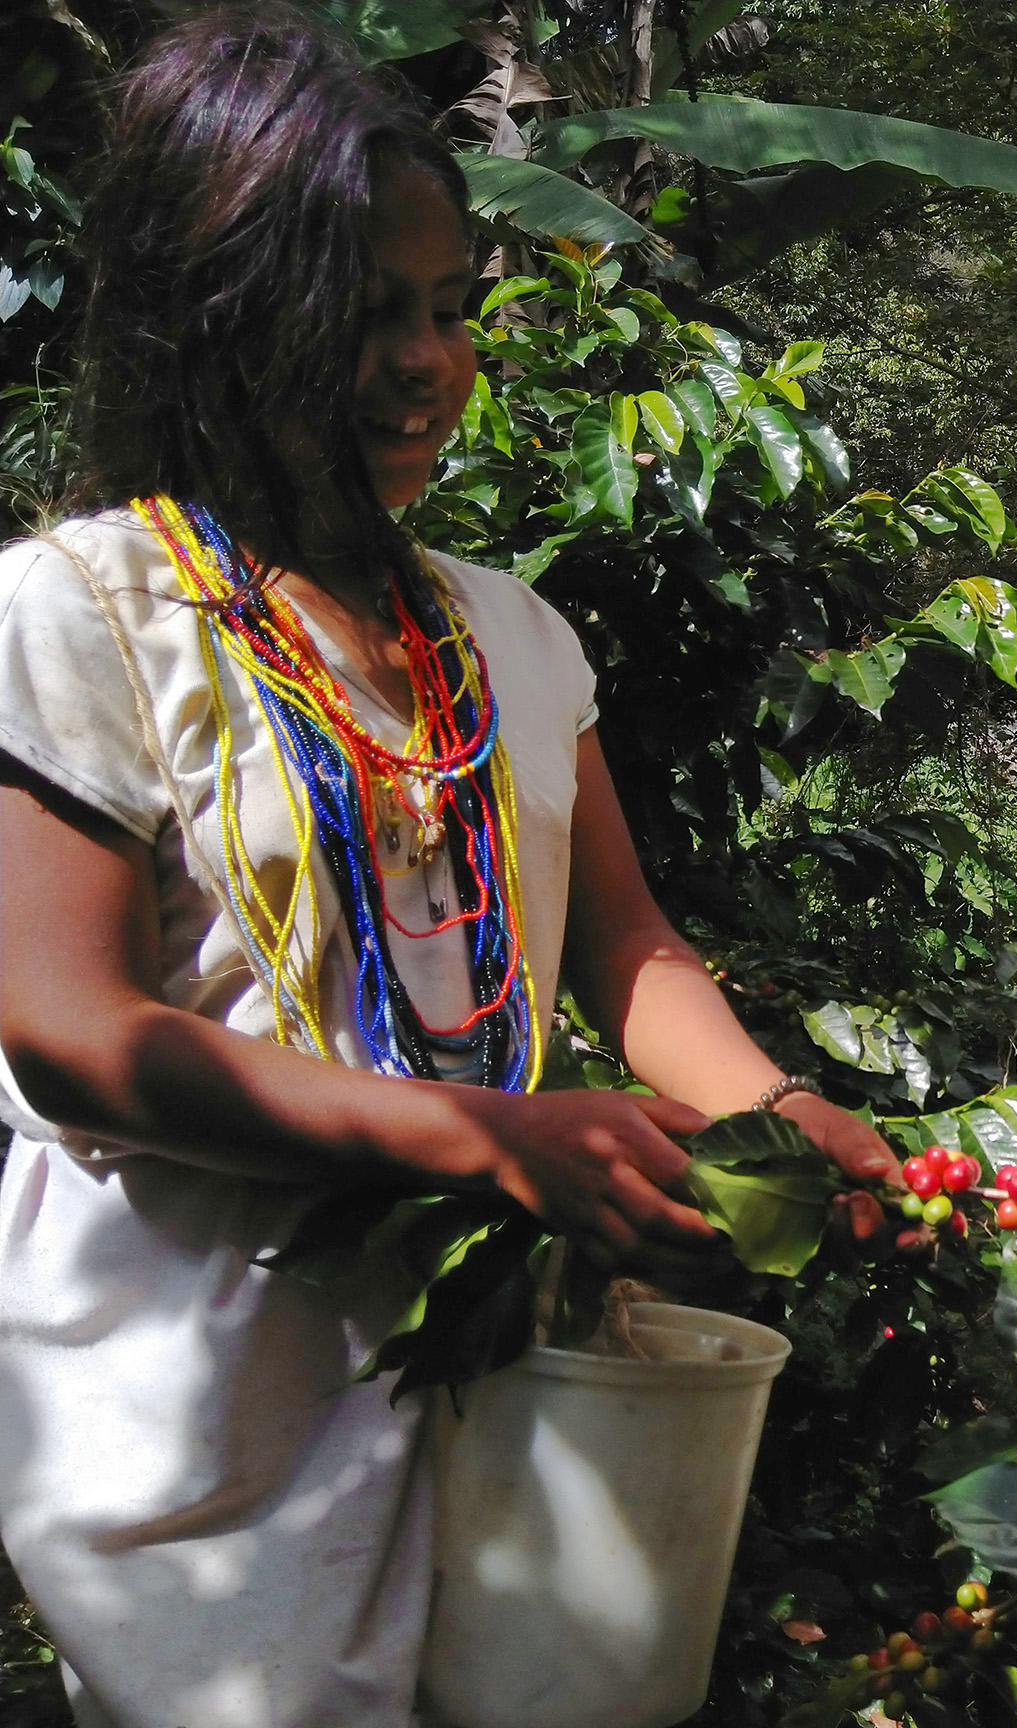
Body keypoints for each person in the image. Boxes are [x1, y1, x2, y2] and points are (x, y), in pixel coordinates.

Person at [0, 12, 895, 1725]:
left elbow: (625, 952)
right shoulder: (85, 613)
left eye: (450, 307)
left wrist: (772, 1111)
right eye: (364, 312)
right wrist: (479, 1134)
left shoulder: (513, 637)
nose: (427, 360)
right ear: (221, 317)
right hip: (193, 1415)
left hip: (488, 1381)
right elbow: (61, 1025)